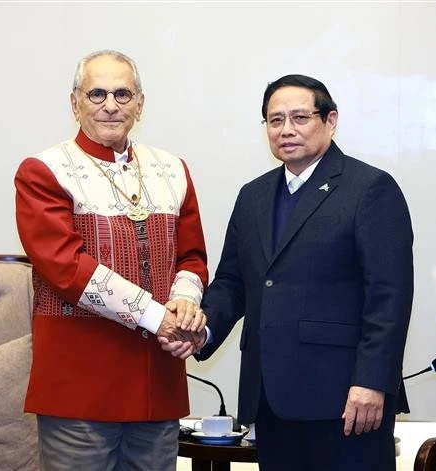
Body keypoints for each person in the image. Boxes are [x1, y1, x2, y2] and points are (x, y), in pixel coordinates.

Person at [162, 74, 413, 470]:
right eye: (275, 120)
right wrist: (202, 329)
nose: (287, 129)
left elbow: (390, 297)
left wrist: (372, 381)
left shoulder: (370, 189)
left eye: (300, 117)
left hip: (346, 400)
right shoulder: (253, 195)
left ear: (331, 121)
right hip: (271, 399)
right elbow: (232, 282)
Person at [14, 50, 208, 471]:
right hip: (79, 388)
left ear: (140, 104)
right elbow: (67, 268)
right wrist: (160, 317)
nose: (110, 105)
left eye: (123, 94)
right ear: (75, 102)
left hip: (158, 382)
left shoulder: (172, 168)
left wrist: (185, 305)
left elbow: (191, 256)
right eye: (97, 93)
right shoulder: (43, 170)